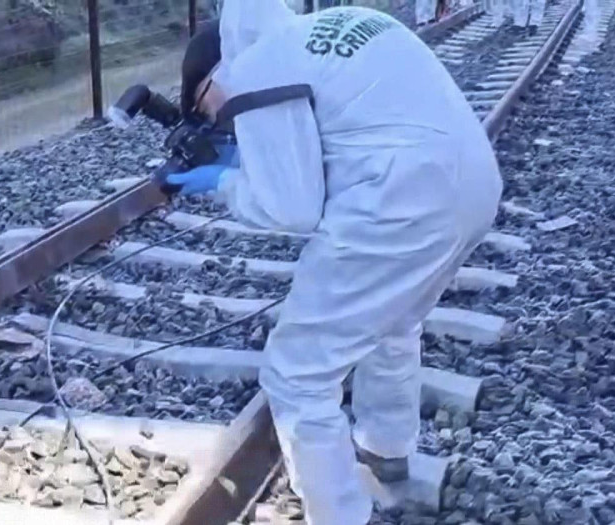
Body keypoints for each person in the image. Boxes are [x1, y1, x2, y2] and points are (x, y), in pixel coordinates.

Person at [163, 1, 503, 523]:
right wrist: (254, 154)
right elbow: (344, 133)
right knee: (394, 321)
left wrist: (227, 182)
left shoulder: (253, 69)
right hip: (474, 183)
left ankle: (339, 513)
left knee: (296, 373)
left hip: (400, 203)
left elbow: (292, 207)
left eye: (209, 110)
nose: (219, 123)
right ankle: (387, 450)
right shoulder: (345, 23)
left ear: (214, 77)